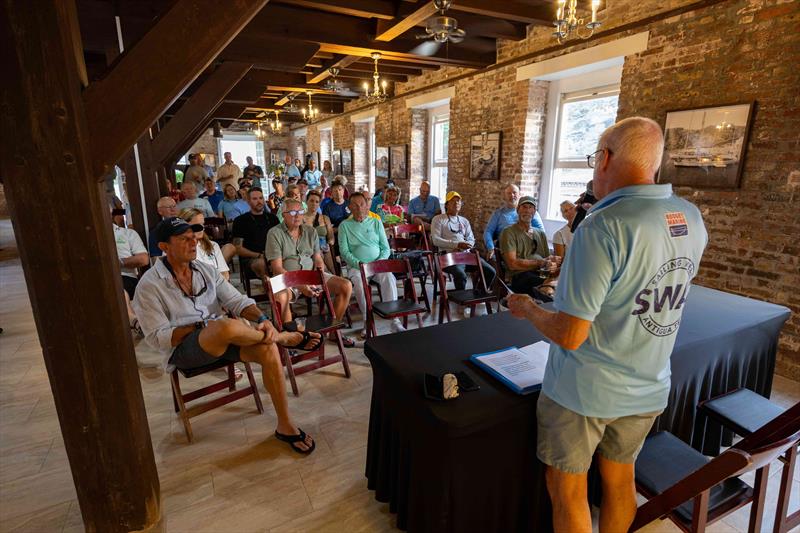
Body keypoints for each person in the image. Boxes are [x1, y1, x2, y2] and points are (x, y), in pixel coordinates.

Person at [507, 117, 707, 533]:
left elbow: (570, 334)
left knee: (567, 488)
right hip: (649, 383)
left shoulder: (602, 226)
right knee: (620, 478)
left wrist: (528, 308)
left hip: (586, 392)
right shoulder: (688, 216)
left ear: (604, 159)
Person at [132, 217, 321, 453]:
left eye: (194, 238)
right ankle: (283, 337)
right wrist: (204, 328)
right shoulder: (149, 285)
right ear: (164, 247)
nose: (193, 244)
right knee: (224, 325)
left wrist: (263, 320)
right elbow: (157, 338)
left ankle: (285, 425)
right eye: (184, 239)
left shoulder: (204, 270)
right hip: (183, 350)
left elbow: (237, 300)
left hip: (223, 340)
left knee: (267, 348)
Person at [266, 199, 355, 347]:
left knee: (345, 285)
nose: (297, 216)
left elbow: (318, 258)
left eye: (300, 212)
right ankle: (289, 339)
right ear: (283, 214)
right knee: (281, 296)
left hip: (310, 275)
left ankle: (333, 333)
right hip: (285, 277)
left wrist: (318, 275)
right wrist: (300, 285)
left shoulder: (310, 231)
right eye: (293, 212)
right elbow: (277, 268)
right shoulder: (274, 233)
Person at [338, 193, 405, 339]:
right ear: (349, 207)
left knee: (389, 277)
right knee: (359, 282)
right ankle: (366, 320)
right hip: (357, 265)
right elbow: (344, 252)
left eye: (362, 204)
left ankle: (394, 319)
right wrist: (358, 263)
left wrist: (380, 261)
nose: (359, 208)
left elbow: (385, 248)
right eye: (355, 205)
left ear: (367, 205)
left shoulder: (376, 222)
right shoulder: (345, 226)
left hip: (377, 264)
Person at [431, 191, 496, 291]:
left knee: (490, 271)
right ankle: (460, 299)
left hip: (465, 255)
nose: (456, 203)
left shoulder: (464, 221)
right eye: (453, 201)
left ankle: (479, 293)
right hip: (448, 256)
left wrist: (467, 245)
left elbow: (471, 238)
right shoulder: (438, 219)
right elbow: (436, 240)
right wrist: (456, 245)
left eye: (458, 201)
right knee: (460, 275)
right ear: (446, 204)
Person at [499, 196, 561, 298]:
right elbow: (512, 264)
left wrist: (552, 264)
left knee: (565, 280)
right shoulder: (508, 232)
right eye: (524, 207)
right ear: (517, 209)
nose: (527, 210)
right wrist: (541, 263)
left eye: (530, 207)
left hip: (540, 273)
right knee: (550, 289)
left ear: (534, 211)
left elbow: (547, 260)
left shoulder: (540, 233)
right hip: (520, 276)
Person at [483, 183, 545, 259]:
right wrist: (491, 247)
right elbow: (488, 231)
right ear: (504, 196)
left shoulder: (530, 212)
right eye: (509, 193)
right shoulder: (498, 214)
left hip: (527, 248)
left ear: (519, 195)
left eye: (514, 192)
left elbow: (541, 232)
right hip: (505, 248)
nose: (512, 195)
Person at [231, 187, 280, 280]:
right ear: (248, 201)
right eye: (255, 199)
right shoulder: (240, 221)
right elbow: (238, 248)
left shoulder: (273, 218)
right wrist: (259, 255)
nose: (259, 201)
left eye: (261, 198)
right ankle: (272, 291)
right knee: (262, 264)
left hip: (274, 255)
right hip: (252, 258)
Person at [179, 208, 230, 280]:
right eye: (197, 226)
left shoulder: (213, 245)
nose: (202, 228)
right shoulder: (175, 249)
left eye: (203, 224)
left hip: (216, 287)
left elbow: (224, 273)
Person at [303, 190, 336, 274]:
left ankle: (335, 277)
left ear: (319, 204)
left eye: (317, 201)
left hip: (324, 246)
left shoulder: (325, 218)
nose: (314, 203)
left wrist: (330, 242)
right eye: (311, 201)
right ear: (306, 202)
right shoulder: (301, 218)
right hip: (308, 247)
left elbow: (331, 236)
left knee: (333, 268)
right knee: (321, 264)